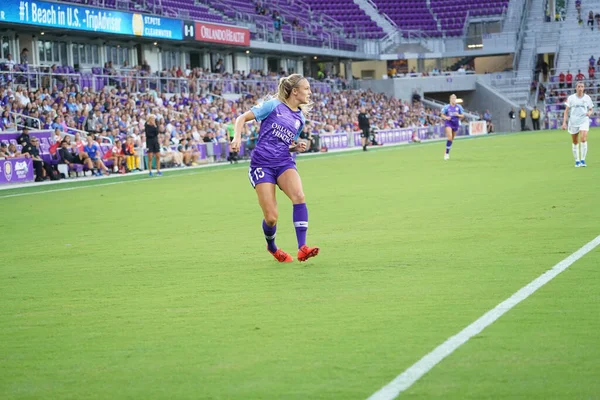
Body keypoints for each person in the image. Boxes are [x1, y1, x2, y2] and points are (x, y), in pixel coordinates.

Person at [230, 73, 319, 263]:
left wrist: (294, 147)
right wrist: (237, 137)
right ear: (295, 91)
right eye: (306, 88)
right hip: (262, 164)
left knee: (299, 196)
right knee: (271, 218)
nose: (309, 92)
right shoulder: (273, 105)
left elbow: (282, 143)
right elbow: (241, 118)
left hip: (284, 162)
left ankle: (302, 247)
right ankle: (272, 247)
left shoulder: (299, 119)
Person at [562, 81, 593, 167]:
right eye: (578, 86)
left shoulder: (587, 98)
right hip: (573, 122)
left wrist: (589, 113)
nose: (580, 88)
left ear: (584, 88)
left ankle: (583, 160)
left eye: (582, 86)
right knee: (575, 141)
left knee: (583, 138)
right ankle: (577, 161)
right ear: (576, 88)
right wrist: (564, 122)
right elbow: (566, 111)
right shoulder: (571, 98)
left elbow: (591, 109)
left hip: (584, 120)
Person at [440, 94, 464, 160]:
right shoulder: (446, 107)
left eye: (455, 98)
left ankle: (446, 151)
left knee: (451, 139)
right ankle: (447, 154)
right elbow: (442, 115)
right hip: (448, 123)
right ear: (450, 99)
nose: (454, 100)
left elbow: (462, 115)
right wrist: (446, 117)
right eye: (452, 98)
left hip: (455, 123)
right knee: (450, 137)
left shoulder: (459, 107)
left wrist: (458, 115)